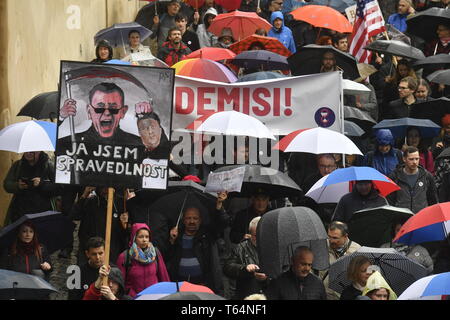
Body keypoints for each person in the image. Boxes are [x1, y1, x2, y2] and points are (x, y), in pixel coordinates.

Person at [165, 206, 229, 295]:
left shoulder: (207, 236)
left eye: (195, 218)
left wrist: (219, 207)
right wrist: (171, 241)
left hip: (202, 285)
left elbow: (223, 223)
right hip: (180, 286)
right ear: (183, 220)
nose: (192, 221)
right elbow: (167, 258)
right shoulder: (177, 236)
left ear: (200, 220)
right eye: (188, 218)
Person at [71, 187, 129, 266]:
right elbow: (74, 215)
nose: (105, 190)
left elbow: (126, 233)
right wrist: (84, 195)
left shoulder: (121, 203)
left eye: (108, 187)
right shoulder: (90, 202)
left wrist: (125, 225)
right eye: (103, 187)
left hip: (113, 252)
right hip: (92, 251)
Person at [116, 223, 170, 298]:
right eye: (141, 237)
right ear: (134, 238)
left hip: (154, 296)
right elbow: (119, 283)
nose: (144, 240)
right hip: (133, 297)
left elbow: (164, 277)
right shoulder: (125, 256)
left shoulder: (155, 254)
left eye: (147, 237)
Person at [0, 221, 52, 299]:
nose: (28, 234)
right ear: (18, 233)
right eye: (24, 231)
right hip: (17, 292)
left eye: (31, 231)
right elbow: (3, 273)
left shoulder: (41, 249)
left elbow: (48, 269)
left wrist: (48, 267)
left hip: (36, 292)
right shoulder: (9, 251)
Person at [3, 151, 58, 224]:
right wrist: (17, 185)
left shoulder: (48, 165)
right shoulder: (18, 165)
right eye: (26, 151)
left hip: (43, 211)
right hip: (20, 211)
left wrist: (42, 183)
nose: (28, 153)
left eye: (32, 152)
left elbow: (59, 187)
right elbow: (7, 184)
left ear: (39, 151)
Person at [223, 217, 269, 300]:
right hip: (247, 295)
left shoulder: (273, 247)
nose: (259, 238)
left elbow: (283, 270)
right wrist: (244, 268)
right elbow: (227, 267)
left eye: (261, 234)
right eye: (255, 235)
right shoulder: (240, 248)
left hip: (269, 293)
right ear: (250, 234)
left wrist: (268, 277)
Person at [388, 146, 438, 213]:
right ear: (404, 159)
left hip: (421, 219)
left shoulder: (427, 176)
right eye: (411, 159)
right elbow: (390, 202)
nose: (415, 162)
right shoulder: (395, 176)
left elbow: (433, 201)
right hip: (401, 219)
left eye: (417, 159)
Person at [321, 222, 361, 300]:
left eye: (335, 238)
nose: (331, 241)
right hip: (324, 295)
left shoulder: (356, 250)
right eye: (329, 236)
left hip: (345, 296)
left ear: (345, 236)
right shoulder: (322, 246)